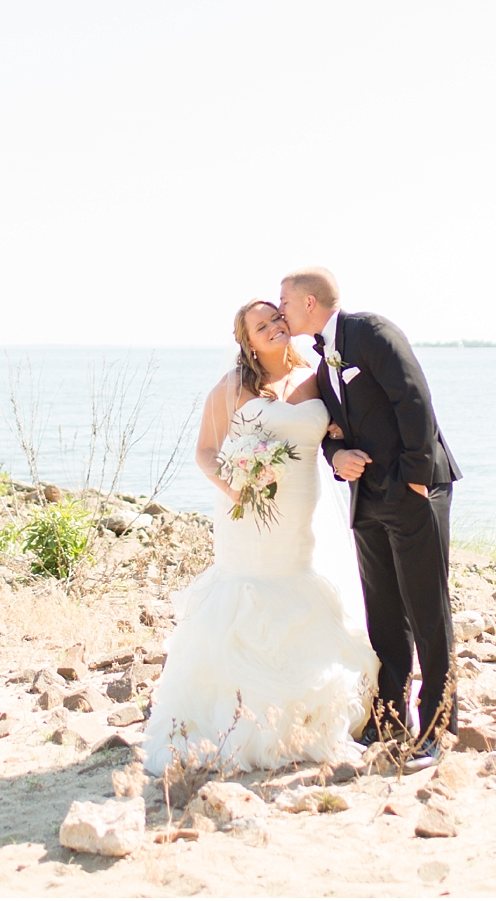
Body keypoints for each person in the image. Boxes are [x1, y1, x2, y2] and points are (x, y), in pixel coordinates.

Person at [141, 300, 378, 776]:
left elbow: (339, 430)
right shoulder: (233, 388)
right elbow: (206, 452)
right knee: (246, 589)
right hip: (245, 513)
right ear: (247, 340)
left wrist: (336, 438)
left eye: (277, 319)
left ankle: (305, 709)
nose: (273, 328)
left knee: (296, 580)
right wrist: (234, 485)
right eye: (261, 325)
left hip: (299, 510)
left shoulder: (315, 376)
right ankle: (237, 715)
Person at [280, 265, 461, 767]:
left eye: (286, 302)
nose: (281, 310)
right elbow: (335, 433)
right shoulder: (323, 364)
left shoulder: (372, 333)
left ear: (311, 303)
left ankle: (436, 727)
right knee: (383, 612)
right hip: (368, 497)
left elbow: (414, 397)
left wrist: (417, 478)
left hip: (413, 488)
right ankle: (389, 719)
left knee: (426, 606)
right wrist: (337, 459)